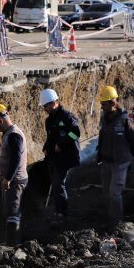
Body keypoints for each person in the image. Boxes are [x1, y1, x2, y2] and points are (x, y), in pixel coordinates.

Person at [96, 86, 134, 228]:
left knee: (115, 192)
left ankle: (116, 222)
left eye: (104, 104)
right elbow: (102, 138)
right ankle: (108, 214)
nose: (102, 106)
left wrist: (130, 158)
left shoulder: (125, 120)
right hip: (106, 160)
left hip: (120, 162)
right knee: (105, 191)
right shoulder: (104, 118)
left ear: (113, 103)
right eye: (101, 103)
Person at [0, 102, 28, 245]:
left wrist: (8, 178)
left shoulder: (13, 135)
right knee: (11, 211)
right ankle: (12, 243)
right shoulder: (10, 133)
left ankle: (13, 246)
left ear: (0, 120)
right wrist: (2, 174)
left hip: (15, 180)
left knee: (13, 214)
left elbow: (16, 159)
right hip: (12, 179)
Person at [40, 89, 81, 226]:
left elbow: (76, 133)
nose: (44, 109)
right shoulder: (49, 120)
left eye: (45, 106)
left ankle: (62, 213)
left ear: (53, 103)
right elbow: (50, 136)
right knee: (55, 183)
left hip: (65, 157)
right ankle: (58, 211)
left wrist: (61, 144)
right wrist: (46, 146)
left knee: (59, 184)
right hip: (53, 156)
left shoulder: (67, 117)